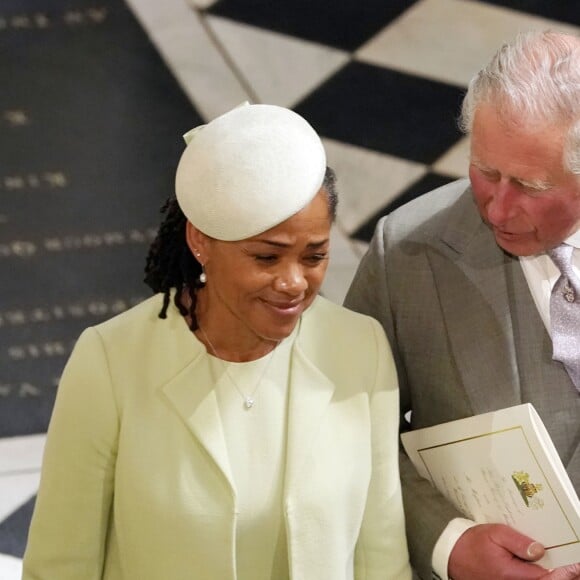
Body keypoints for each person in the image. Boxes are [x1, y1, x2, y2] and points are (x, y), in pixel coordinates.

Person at [22, 103, 411, 580]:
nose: (293, 282)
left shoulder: (360, 348)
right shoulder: (111, 361)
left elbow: (382, 555)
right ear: (201, 240)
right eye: (267, 258)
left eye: (314, 256)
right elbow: (60, 566)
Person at [345, 30, 580, 580]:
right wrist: (449, 543)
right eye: (485, 171)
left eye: (529, 184)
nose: (498, 207)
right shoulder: (405, 252)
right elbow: (345, 429)